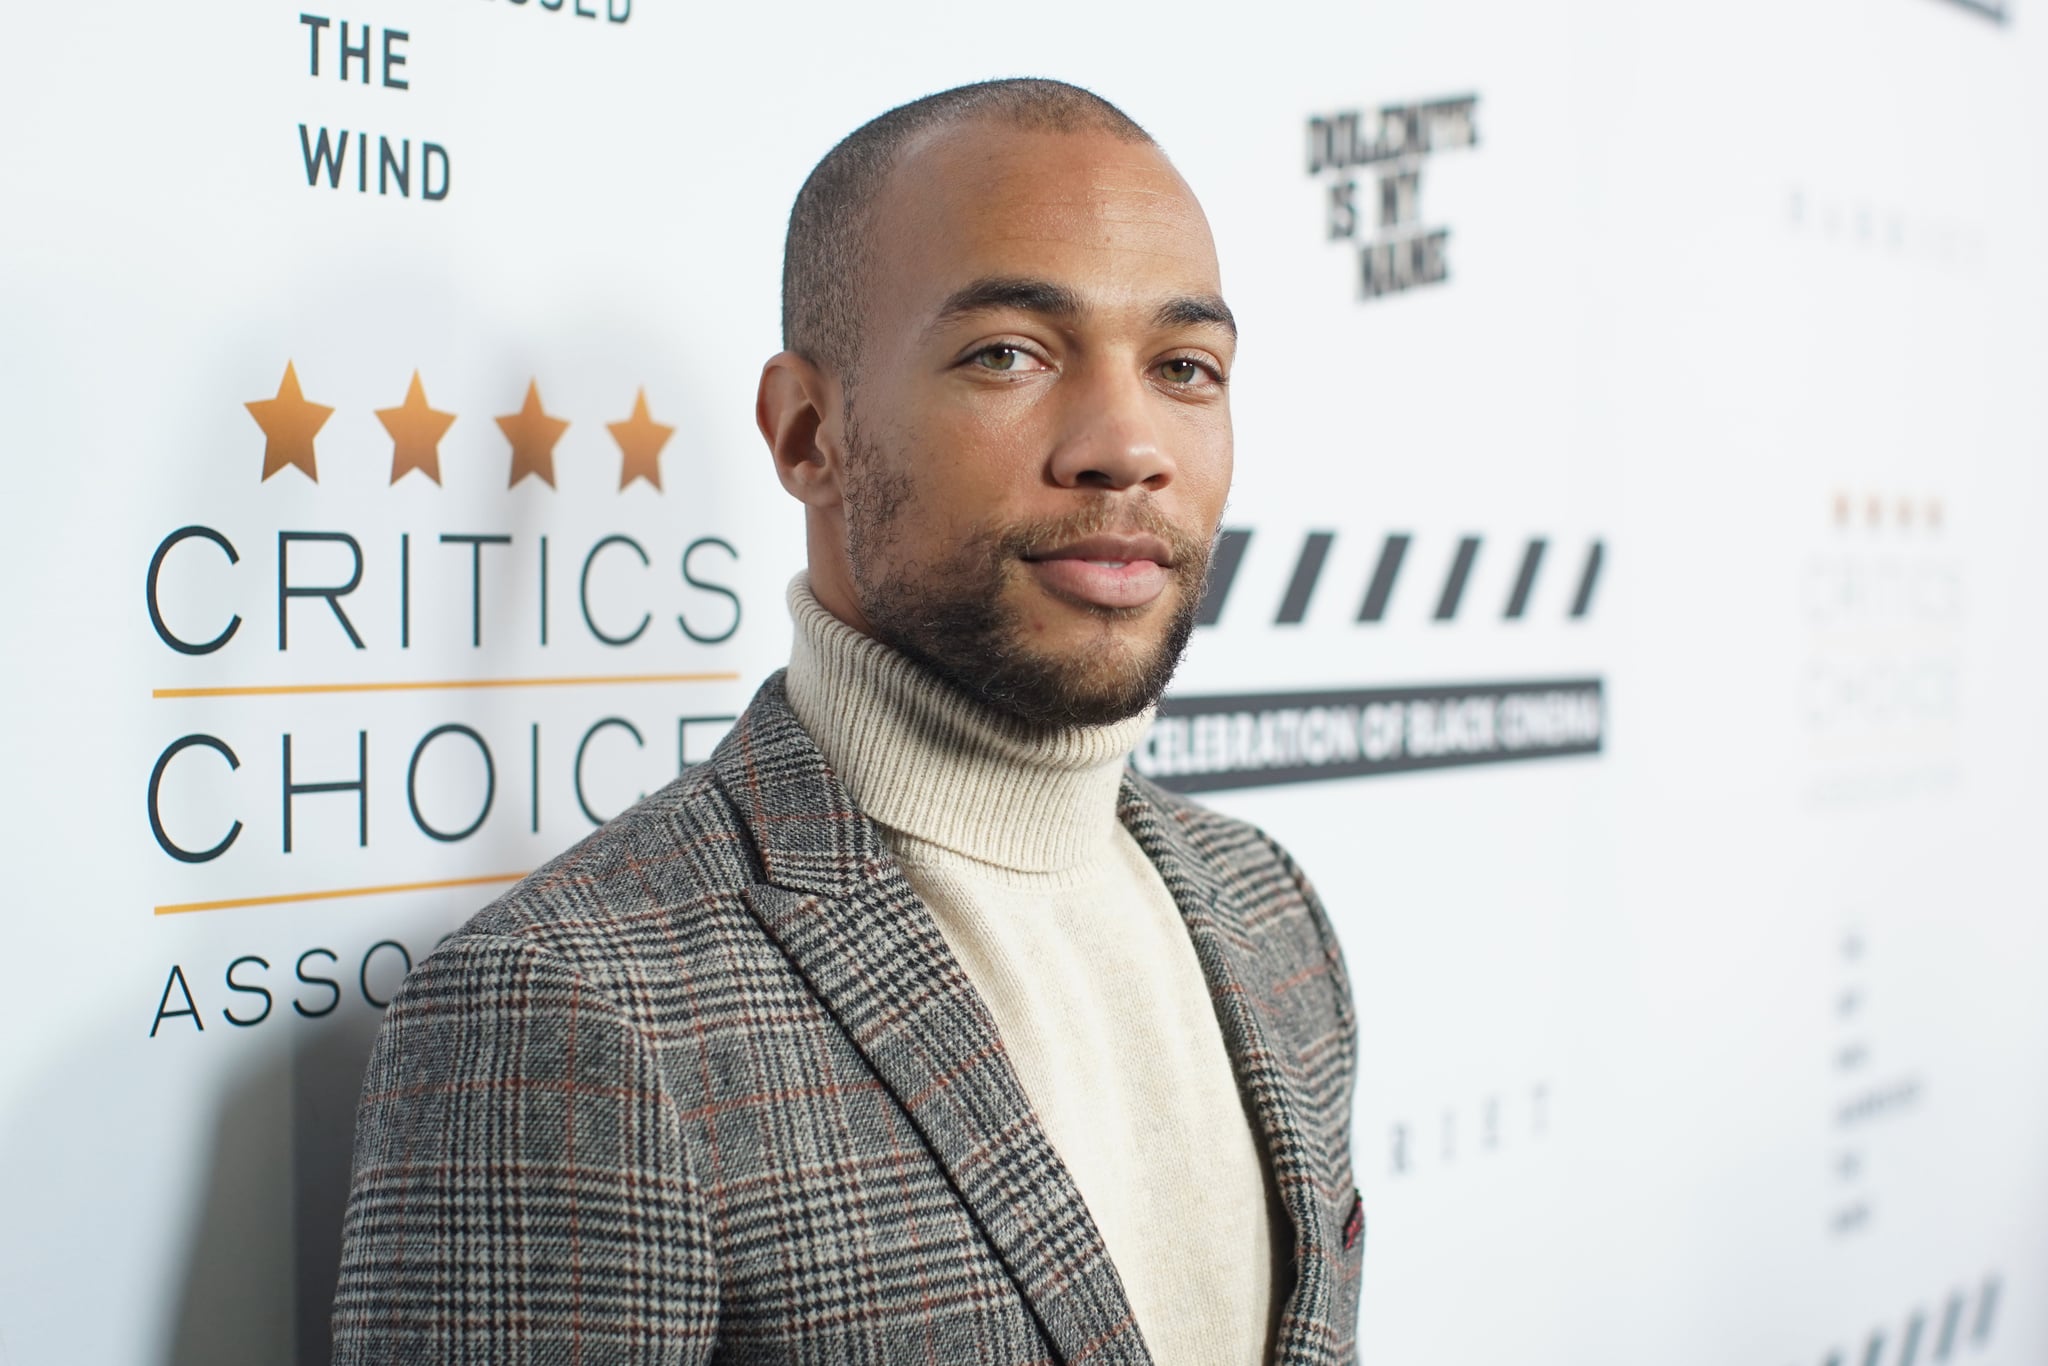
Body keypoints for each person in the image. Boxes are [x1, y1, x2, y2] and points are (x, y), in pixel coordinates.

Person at [332, 77, 1361, 1364]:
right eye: (1009, 354)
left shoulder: (1272, 915)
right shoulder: (574, 1010)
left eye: (1184, 368)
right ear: (808, 432)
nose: (1124, 444)